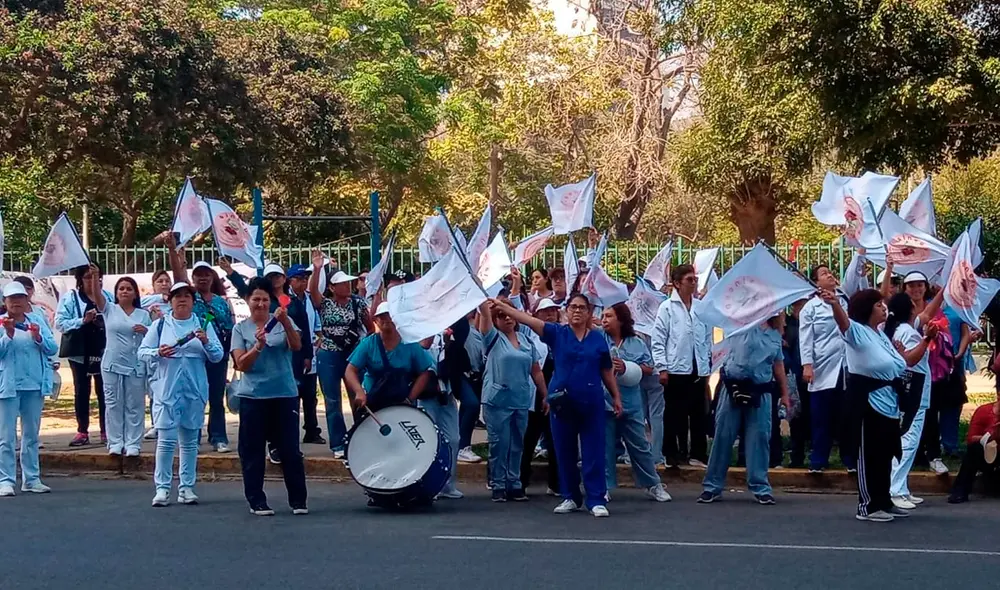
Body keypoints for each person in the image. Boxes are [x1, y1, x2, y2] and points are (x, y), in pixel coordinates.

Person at [494, 294, 623, 518]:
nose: (577, 311)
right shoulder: (557, 333)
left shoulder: (597, 339)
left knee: (594, 450)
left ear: (589, 313)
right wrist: (503, 306)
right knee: (564, 450)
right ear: (566, 310)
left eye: (582, 308)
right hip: (562, 402)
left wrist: (616, 396)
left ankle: (596, 499)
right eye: (573, 307)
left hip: (591, 401)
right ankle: (570, 496)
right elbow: (527, 320)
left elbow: (606, 370)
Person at [822, 288, 908, 523]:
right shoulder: (858, 332)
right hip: (867, 401)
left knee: (885, 453)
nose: (883, 307)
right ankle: (867, 505)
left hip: (888, 401)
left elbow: (899, 364)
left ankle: (884, 500)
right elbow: (844, 324)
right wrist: (834, 304)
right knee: (869, 453)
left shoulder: (879, 334)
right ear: (867, 308)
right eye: (878, 304)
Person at [139, 282, 225, 507]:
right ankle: (162, 489)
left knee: (189, 442)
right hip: (167, 390)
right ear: (170, 300)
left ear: (193, 301)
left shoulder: (203, 325)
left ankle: (187, 487)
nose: (182, 300)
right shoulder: (159, 326)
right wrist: (158, 352)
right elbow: (142, 353)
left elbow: (217, 356)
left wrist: (205, 341)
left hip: (194, 390)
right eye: (178, 296)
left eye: (187, 296)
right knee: (166, 441)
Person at [230, 277, 307, 516]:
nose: (261, 304)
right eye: (256, 299)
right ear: (247, 301)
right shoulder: (240, 329)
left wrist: (284, 322)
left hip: (284, 394)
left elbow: (296, 346)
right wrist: (258, 347)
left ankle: (298, 500)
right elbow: (241, 364)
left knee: (290, 450)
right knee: (252, 451)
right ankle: (256, 500)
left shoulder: (283, 319)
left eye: (265, 299)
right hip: (253, 397)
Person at [701, 314, 791, 505]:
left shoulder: (774, 334)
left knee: (759, 438)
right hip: (733, 387)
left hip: (761, 390)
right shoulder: (740, 324)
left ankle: (760, 487)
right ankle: (712, 486)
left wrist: (784, 393)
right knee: (723, 436)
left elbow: (778, 364)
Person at [477, 298, 547, 502]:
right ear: (495, 320)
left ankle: (514, 483)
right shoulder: (492, 339)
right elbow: (484, 316)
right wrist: (485, 304)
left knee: (518, 443)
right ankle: (498, 483)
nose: (507, 318)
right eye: (501, 316)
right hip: (497, 400)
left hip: (521, 398)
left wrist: (545, 394)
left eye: (509, 314)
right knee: (500, 443)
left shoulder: (526, 341)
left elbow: (536, 371)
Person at [168, 244, 235, 453]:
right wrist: (173, 250)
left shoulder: (221, 302)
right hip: (196, 355)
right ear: (193, 278)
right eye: (198, 275)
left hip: (217, 354)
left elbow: (229, 328)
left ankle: (218, 437)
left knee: (216, 397)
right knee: (194, 397)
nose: (203, 279)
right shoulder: (190, 297)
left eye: (207, 274)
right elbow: (178, 275)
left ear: (213, 277)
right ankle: (192, 437)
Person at [601, 303, 670, 502]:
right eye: (603, 316)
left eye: (609, 316)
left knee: (640, 445)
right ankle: (603, 487)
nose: (604, 319)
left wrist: (627, 367)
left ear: (620, 319)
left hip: (631, 402)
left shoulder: (636, 343)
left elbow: (649, 368)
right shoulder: (598, 340)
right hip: (605, 402)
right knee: (605, 447)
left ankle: (652, 484)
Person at [308, 249, 374, 457]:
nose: (347, 286)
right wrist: (317, 269)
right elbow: (313, 293)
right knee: (333, 399)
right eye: (342, 283)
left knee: (358, 396)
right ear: (332, 287)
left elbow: (370, 327)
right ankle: (338, 443)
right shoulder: (325, 304)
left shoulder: (358, 302)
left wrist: (364, 347)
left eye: (349, 283)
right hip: (329, 354)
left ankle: (360, 437)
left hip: (353, 354)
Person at [884, 289, 944, 510]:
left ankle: (902, 487)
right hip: (914, 387)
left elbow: (928, 312)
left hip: (914, 387)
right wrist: (927, 339)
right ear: (907, 309)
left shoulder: (901, 328)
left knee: (910, 437)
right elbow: (910, 360)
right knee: (908, 440)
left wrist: (946, 290)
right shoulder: (907, 332)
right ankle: (895, 489)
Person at [0, 281, 59, 496]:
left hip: (33, 384)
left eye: (20, 298)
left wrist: (38, 338)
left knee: (31, 434)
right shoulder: (1, 323)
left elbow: (53, 348)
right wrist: (8, 335)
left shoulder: (37, 320)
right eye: (12, 298)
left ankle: (31, 478)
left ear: (27, 300)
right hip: (8, 386)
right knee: (6, 437)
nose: (16, 302)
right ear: (5, 302)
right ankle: (5, 480)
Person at [651, 264, 712, 469]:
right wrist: (662, 367)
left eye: (695, 279)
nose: (693, 283)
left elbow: (707, 337)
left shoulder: (701, 307)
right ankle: (671, 454)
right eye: (689, 279)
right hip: (676, 368)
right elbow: (659, 339)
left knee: (698, 412)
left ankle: (697, 453)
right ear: (677, 283)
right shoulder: (667, 308)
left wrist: (707, 362)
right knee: (674, 413)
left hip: (698, 367)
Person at [799, 265, 855, 473]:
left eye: (830, 272)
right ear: (815, 282)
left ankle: (849, 459)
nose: (830, 274)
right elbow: (806, 339)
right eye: (824, 274)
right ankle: (818, 460)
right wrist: (807, 365)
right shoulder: (810, 308)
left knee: (846, 415)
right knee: (822, 416)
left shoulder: (845, 300)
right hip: (822, 366)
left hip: (846, 364)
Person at [56, 263, 112, 447]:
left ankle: (106, 430)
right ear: (80, 280)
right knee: (82, 390)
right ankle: (82, 431)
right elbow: (61, 323)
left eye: (96, 277)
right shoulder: (71, 298)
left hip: (103, 350)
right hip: (80, 351)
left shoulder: (108, 298)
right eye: (88, 277)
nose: (93, 281)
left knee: (105, 390)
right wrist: (83, 320)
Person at [94, 277, 152, 457]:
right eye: (121, 289)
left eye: (128, 289)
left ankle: (133, 442)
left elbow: (152, 339)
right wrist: (95, 278)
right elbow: (96, 296)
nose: (125, 291)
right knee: (113, 404)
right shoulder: (109, 309)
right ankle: (115, 442)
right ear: (116, 293)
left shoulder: (143, 315)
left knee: (135, 404)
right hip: (112, 364)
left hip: (135, 365)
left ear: (135, 293)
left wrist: (146, 330)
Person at [343, 303, 435, 412]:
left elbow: (425, 372)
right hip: (374, 400)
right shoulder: (368, 344)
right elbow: (350, 370)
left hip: (402, 401)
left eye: (390, 316)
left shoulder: (410, 343)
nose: (386, 320)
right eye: (382, 317)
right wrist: (359, 392)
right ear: (376, 320)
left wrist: (410, 398)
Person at [520, 299, 561, 496]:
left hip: (559, 394)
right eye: (545, 311)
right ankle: (521, 480)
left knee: (556, 439)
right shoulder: (529, 338)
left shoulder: (564, 335)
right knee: (529, 439)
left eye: (553, 310)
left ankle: (557, 483)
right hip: (535, 395)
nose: (550, 314)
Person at [287, 264, 324, 445]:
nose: (302, 283)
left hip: (310, 351)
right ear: (290, 281)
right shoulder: (286, 300)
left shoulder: (309, 299)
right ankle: (290, 431)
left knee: (310, 395)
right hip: (292, 353)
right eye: (299, 279)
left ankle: (311, 430)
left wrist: (319, 339)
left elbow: (316, 326)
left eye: (304, 279)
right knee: (293, 395)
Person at [948, 397, 1000, 504]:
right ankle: (960, 491)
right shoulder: (984, 411)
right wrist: (990, 435)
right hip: (988, 454)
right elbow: (971, 438)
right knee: (974, 449)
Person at [141, 270, 172, 440]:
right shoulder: (147, 302)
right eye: (160, 281)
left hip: (172, 351)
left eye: (167, 280)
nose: (164, 284)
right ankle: (156, 424)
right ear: (153, 285)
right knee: (154, 390)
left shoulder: (174, 303)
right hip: (154, 351)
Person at [457, 310, 483, 464]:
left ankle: (460, 444)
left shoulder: (476, 328)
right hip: (461, 374)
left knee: (469, 409)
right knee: (472, 405)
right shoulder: (459, 326)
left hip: (477, 374)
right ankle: (463, 446)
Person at [785, 299, 809, 468]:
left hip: (812, 375)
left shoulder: (810, 321)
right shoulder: (787, 324)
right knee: (796, 418)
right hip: (792, 375)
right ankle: (796, 457)